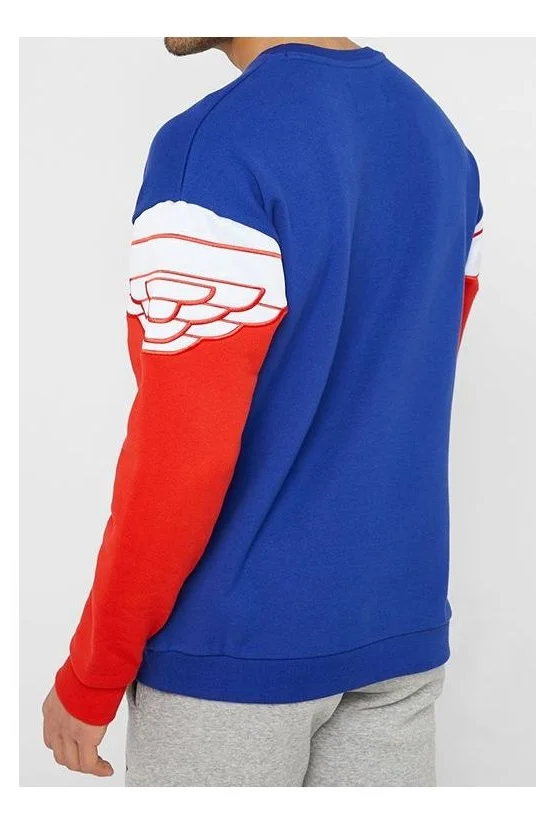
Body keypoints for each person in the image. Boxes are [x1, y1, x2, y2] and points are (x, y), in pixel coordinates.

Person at [42, 36, 483, 787]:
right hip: (396, 635)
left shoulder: (215, 145)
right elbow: (409, 379)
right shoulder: (437, 138)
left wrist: (93, 671)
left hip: (234, 655)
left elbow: (180, 454)